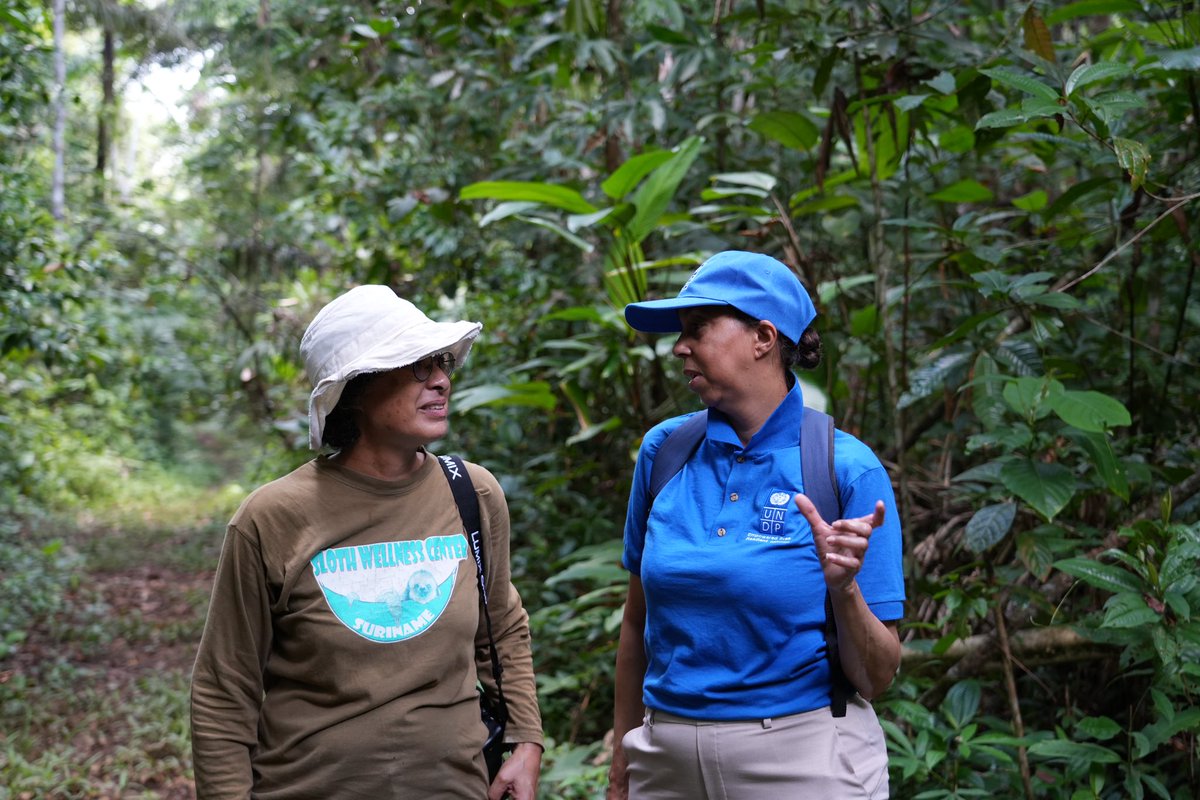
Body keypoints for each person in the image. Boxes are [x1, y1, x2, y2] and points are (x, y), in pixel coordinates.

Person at [191, 285, 543, 800]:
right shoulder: (271, 517)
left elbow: (502, 626)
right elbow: (225, 688)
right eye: (418, 366)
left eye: (442, 363)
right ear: (355, 389)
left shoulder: (472, 493)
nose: (442, 380)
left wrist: (526, 741)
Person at [607, 251, 905, 799]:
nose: (679, 346)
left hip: (804, 761)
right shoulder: (664, 452)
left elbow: (877, 677)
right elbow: (635, 623)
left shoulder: (845, 469)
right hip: (666, 761)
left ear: (763, 338)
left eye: (697, 328)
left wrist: (845, 590)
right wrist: (622, 762)